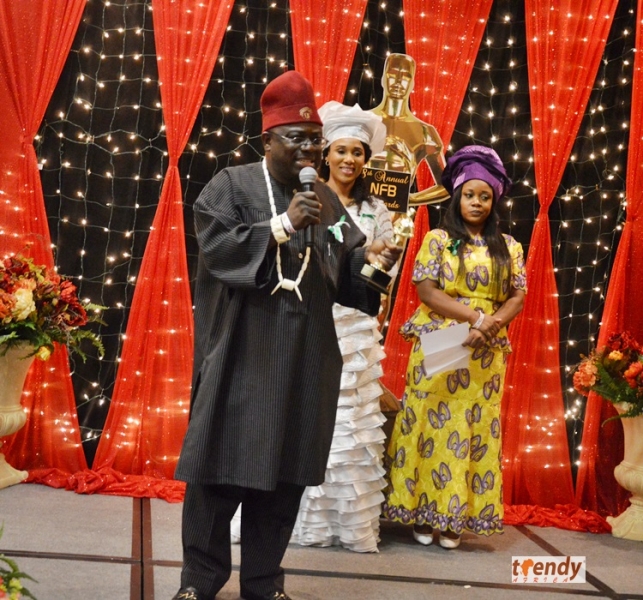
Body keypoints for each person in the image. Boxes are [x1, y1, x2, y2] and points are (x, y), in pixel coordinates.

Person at [172, 71, 401, 600]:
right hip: (241, 355)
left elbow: (349, 271)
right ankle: (198, 582)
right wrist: (284, 225)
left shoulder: (326, 200)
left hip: (305, 359)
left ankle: (263, 583)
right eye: (297, 138)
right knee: (218, 472)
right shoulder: (231, 185)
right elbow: (217, 249)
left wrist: (376, 263)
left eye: (314, 139)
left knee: (284, 479)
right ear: (267, 139)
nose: (309, 150)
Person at [382, 145, 526, 549]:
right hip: (443, 336)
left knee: (471, 427)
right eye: (470, 195)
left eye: (485, 196)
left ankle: (454, 518)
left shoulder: (509, 246)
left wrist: (489, 325)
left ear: (494, 201)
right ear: (458, 197)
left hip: (486, 348)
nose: (477, 202)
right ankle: (422, 512)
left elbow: (517, 296)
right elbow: (428, 292)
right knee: (433, 421)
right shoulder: (439, 240)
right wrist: (475, 319)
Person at [290, 101, 392, 553]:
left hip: (357, 327)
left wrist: (381, 259)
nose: (349, 159)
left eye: (358, 152)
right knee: (305, 413)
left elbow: (383, 272)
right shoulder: (308, 199)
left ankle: (344, 524)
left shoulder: (376, 209)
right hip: (311, 317)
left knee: (350, 426)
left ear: (366, 160)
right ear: (326, 154)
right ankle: (296, 522)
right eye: (342, 150)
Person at [368, 53, 450, 205]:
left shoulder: (426, 133)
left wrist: (410, 199)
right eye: (393, 74)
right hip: (355, 214)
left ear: (412, 84)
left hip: (397, 217)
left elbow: (446, 185)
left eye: (405, 77)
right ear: (383, 79)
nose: (398, 82)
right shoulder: (361, 120)